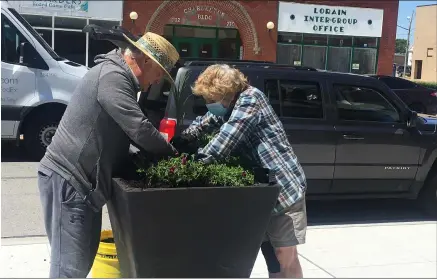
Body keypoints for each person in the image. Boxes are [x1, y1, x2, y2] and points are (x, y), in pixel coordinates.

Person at [38, 32, 179, 278]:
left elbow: (121, 139)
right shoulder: (113, 76)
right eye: (160, 74)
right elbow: (138, 127)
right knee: (69, 270)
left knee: (80, 263)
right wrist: (172, 154)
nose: (157, 82)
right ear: (146, 61)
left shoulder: (118, 77)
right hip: (70, 182)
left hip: (83, 189)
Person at [172, 64, 307, 278]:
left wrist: (194, 164)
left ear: (226, 92)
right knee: (270, 255)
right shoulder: (229, 105)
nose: (209, 105)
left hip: (284, 188)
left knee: (285, 254)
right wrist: (183, 139)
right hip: (262, 192)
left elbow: (229, 136)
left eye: (211, 99)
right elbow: (205, 122)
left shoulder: (251, 99)